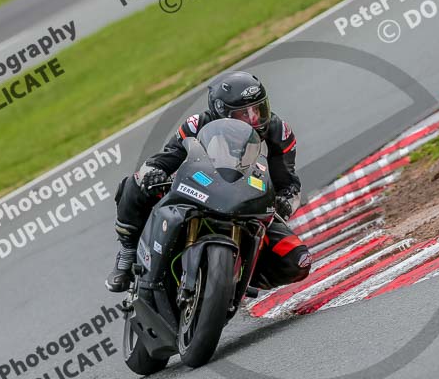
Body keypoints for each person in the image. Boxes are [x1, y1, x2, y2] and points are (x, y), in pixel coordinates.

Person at [106, 71, 311, 292]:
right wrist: (153, 174)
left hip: (248, 203)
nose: (254, 120)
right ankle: (127, 253)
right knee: (134, 183)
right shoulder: (197, 125)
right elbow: (160, 161)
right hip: (199, 189)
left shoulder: (278, 132)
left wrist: (284, 204)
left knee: (298, 260)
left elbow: (290, 186)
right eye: (244, 114)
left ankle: (237, 278)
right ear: (222, 113)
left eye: (259, 110)